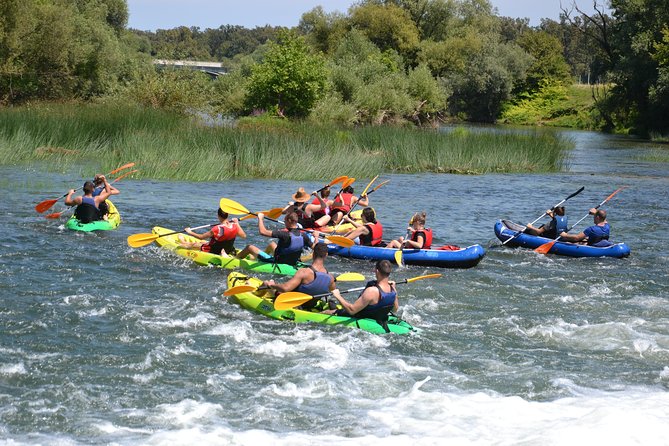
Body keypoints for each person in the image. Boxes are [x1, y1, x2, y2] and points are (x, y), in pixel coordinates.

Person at [324, 260, 398, 327]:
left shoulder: (371, 291)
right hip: (378, 317)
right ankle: (334, 306)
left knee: (326, 312)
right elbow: (395, 309)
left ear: (377, 271)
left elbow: (352, 311)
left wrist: (338, 295)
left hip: (360, 316)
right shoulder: (393, 289)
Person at [262, 242, 335, 310]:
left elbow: (285, 288)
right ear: (326, 255)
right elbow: (332, 292)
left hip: (291, 304)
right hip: (309, 306)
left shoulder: (304, 272)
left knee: (266, 283)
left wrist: (272, 285)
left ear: (313, 254)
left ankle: (255, 294)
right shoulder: (330, 278)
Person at [236, 212, 315, 266]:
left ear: (289, 221)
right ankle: (257, 258)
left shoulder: (284, 234)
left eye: (285, 221)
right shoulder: (303, 235)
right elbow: (315, 247)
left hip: (279, 262)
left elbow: (262, 232)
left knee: (249, 247)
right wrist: (316, 237)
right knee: (272, 244)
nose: (284, 222)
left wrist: (260, 219)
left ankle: (235, 259)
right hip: (293, 261)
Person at [178, 208, 246, 255]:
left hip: (214, 250)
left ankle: (183, 242)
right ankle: (186, 242)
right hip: (228, 249)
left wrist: (189, 232)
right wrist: (237, 223)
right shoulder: (234, 225)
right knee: (203, 242)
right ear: (227, 215)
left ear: (218, 216)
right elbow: (244, 236)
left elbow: (201, 237)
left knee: (194, 244)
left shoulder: (217, 228)